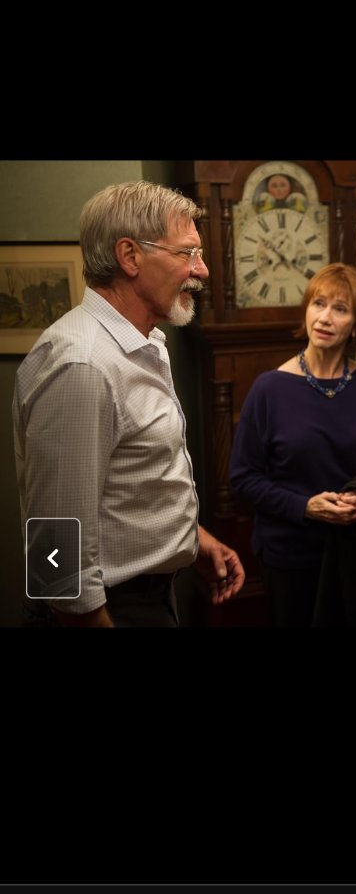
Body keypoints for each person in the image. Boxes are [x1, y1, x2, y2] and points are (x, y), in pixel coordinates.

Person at [13, 182, 245, 627]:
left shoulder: (144, 344)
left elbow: (130, 482)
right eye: (187, 253)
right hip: (110, 611)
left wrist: (191, 540)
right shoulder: (82, 366)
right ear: (130, 256)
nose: (202, 270)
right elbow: (55, 546)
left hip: (150, 597)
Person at [228, 263, 356, 627]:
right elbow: (243, 478)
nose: (325, 317)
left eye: (340, 309)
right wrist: (305, 506)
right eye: (319, 303)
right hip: (291, 556)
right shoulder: (269, 389)